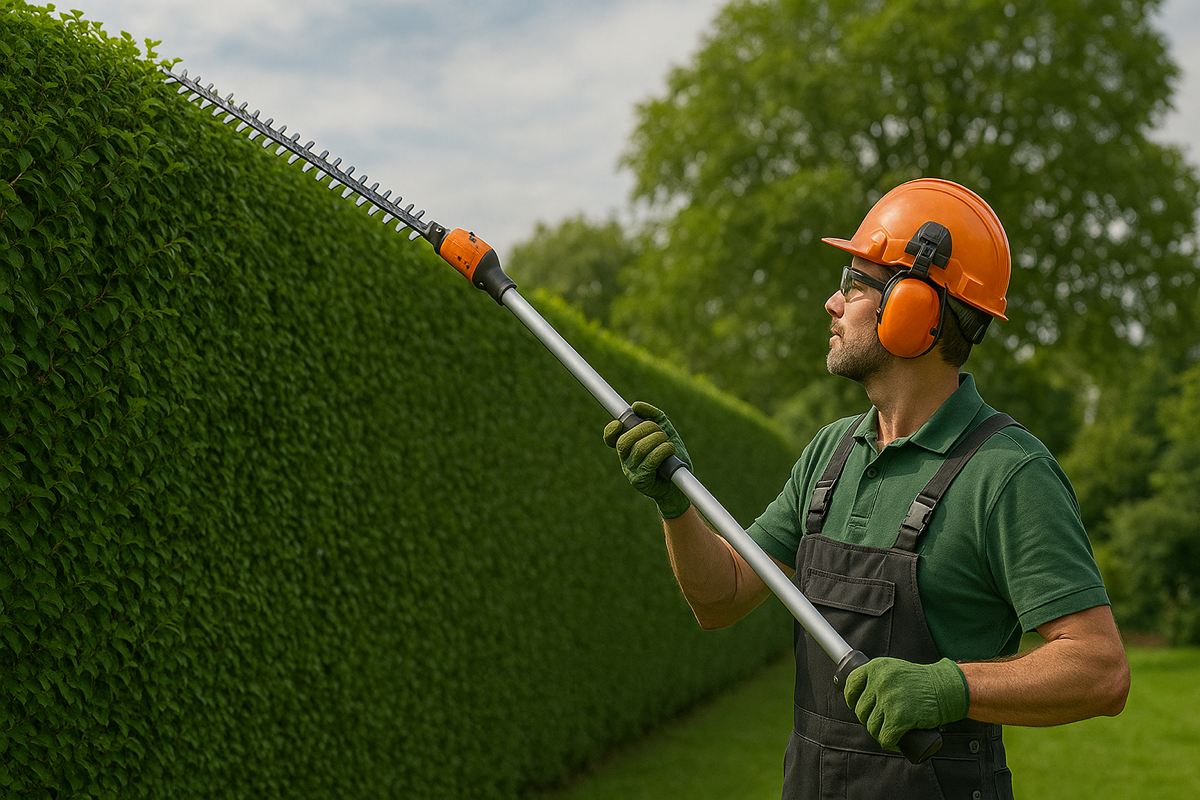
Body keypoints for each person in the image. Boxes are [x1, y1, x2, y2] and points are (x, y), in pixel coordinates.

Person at [603, 178, 1130, 799]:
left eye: (855, 284)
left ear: (914, 310)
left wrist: (949, 688)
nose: (832, 302)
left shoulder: (1007, 473)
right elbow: (722, 598)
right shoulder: (830, 454)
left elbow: (1100, 668)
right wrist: (675, 503)